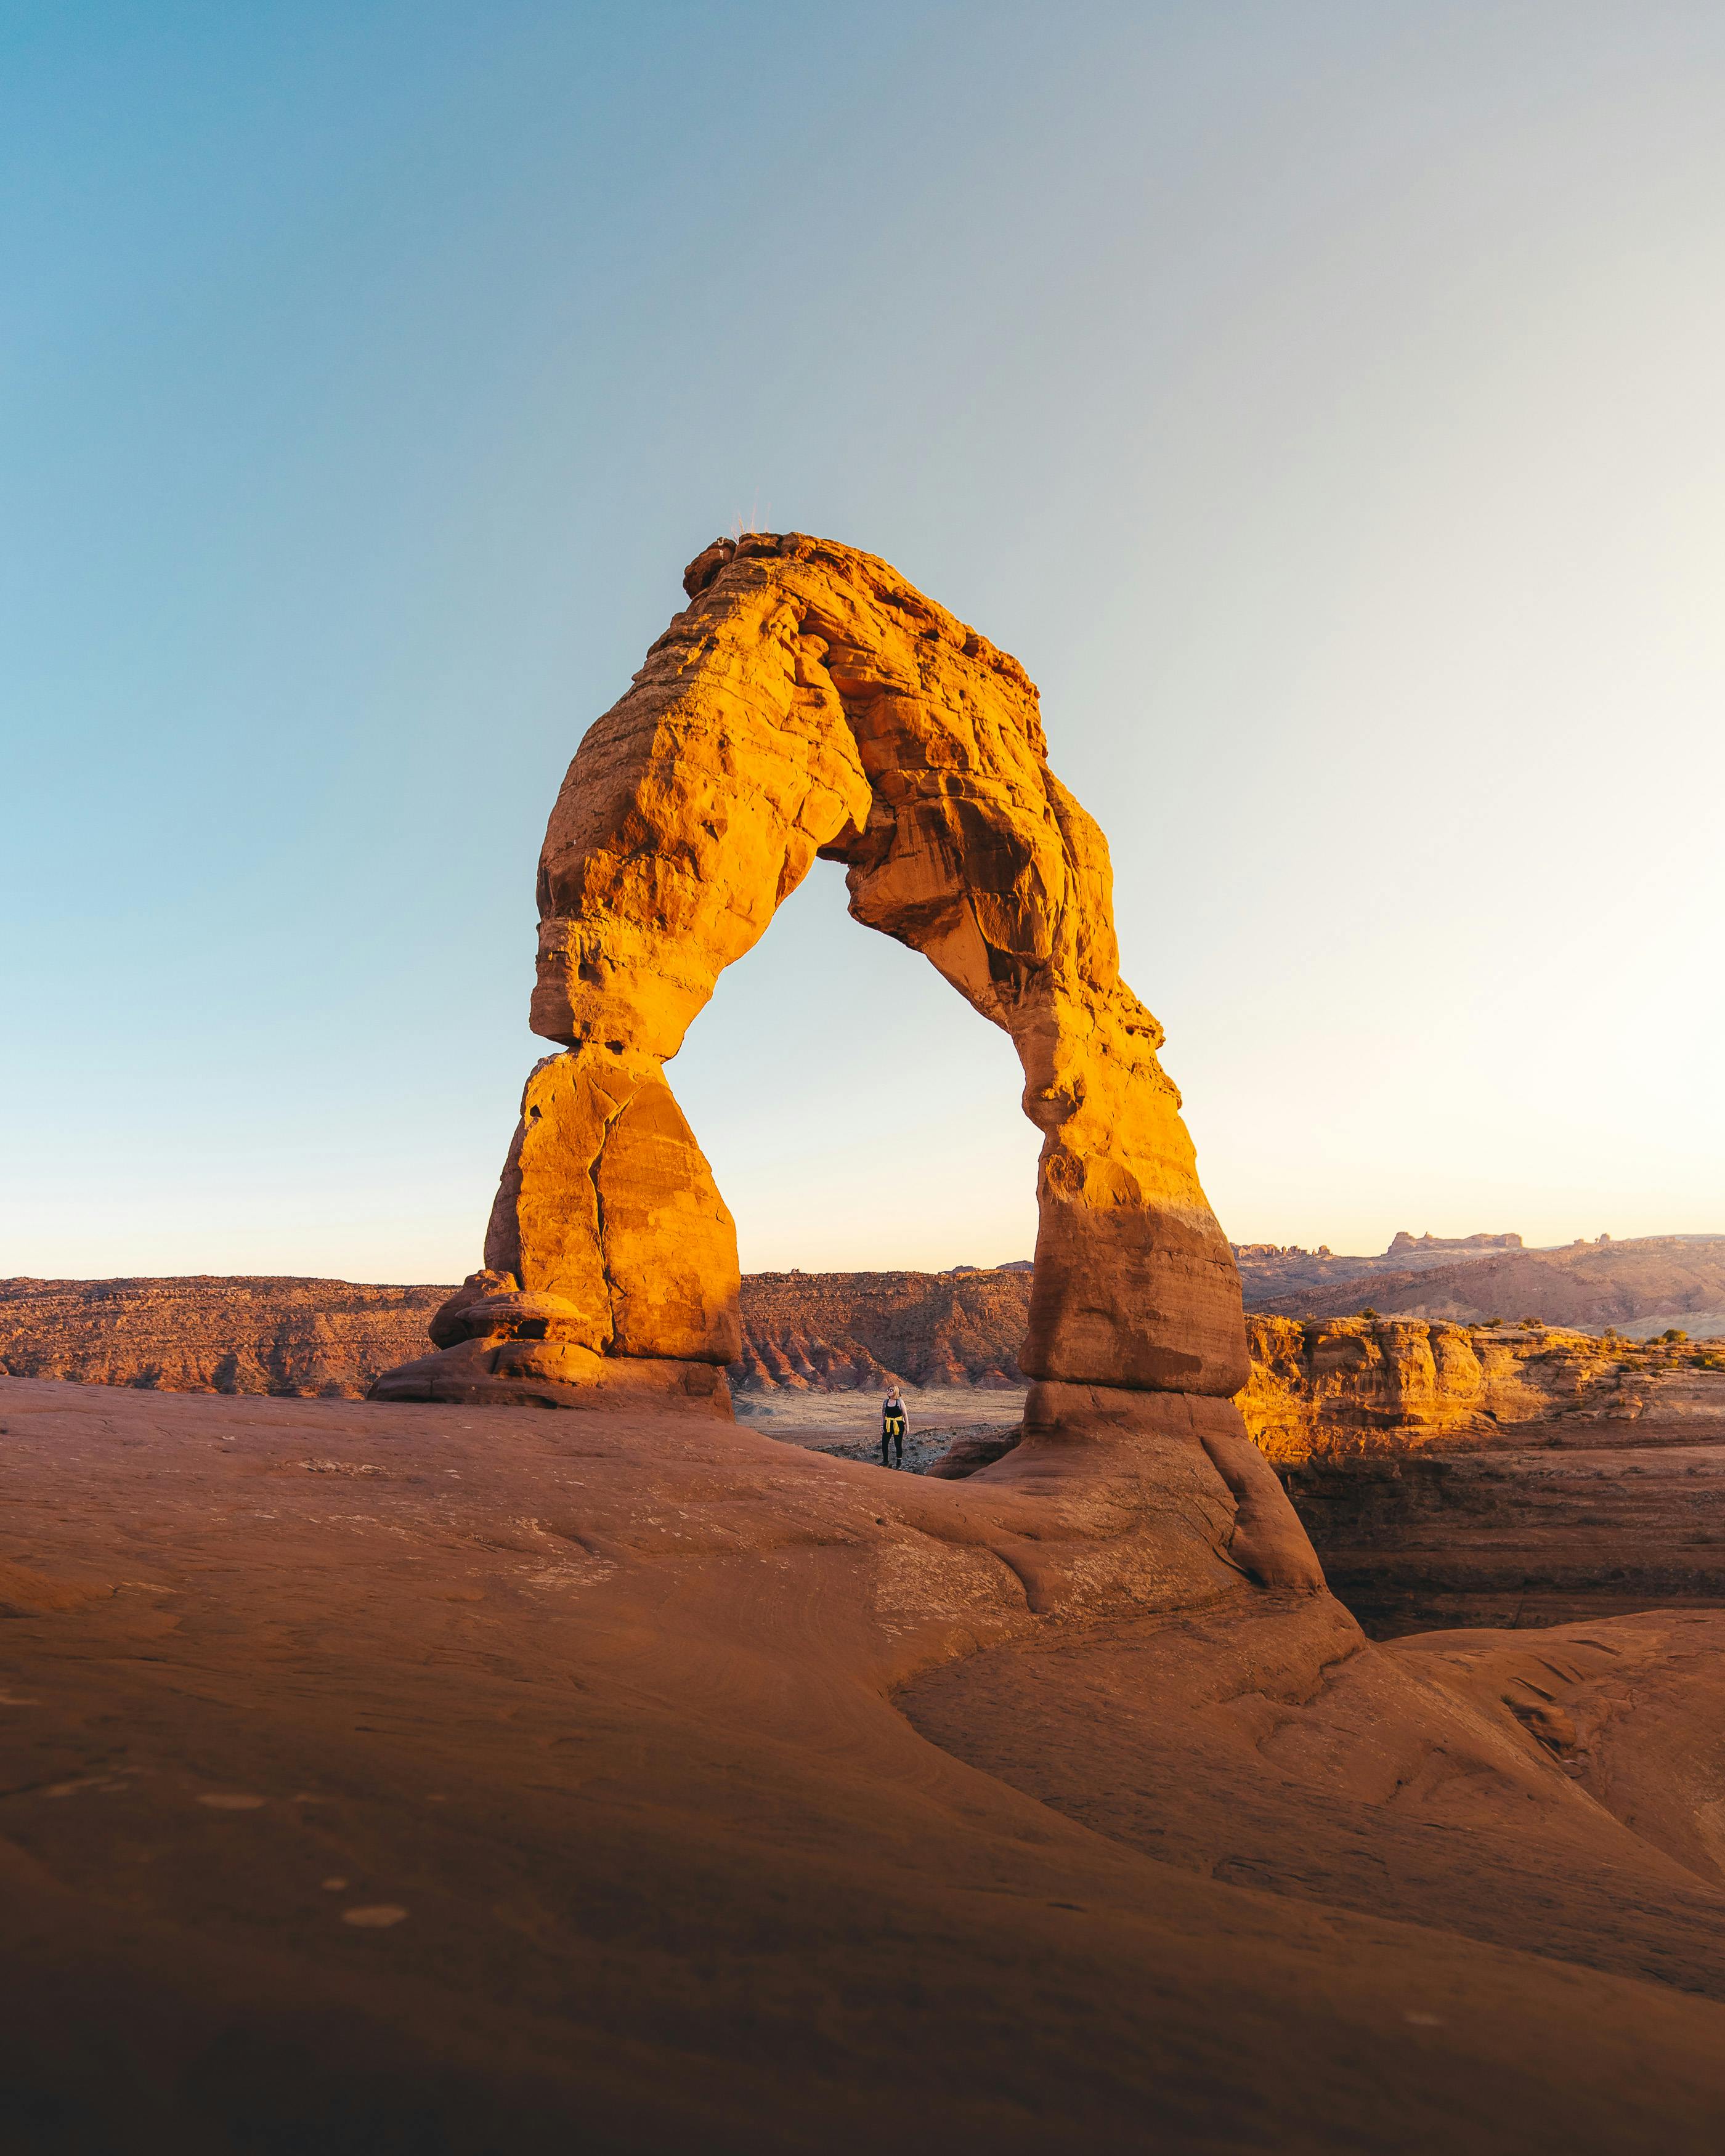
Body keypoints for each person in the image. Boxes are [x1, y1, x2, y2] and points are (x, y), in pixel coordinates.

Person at [880, 1387, 907, 1469]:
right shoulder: (886, 1402)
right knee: (884, 1443)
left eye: (891, 1390)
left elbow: (905, 1414)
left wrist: (907, 1427)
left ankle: (899, 1464)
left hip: (898, 1425)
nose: (888, 1392)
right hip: (888, 1424)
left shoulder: (900, 1402)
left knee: (898, 1444)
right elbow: (883, 1415)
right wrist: (881, 1426)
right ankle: (885, 1461)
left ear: (895, 1391)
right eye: (888, 1390)